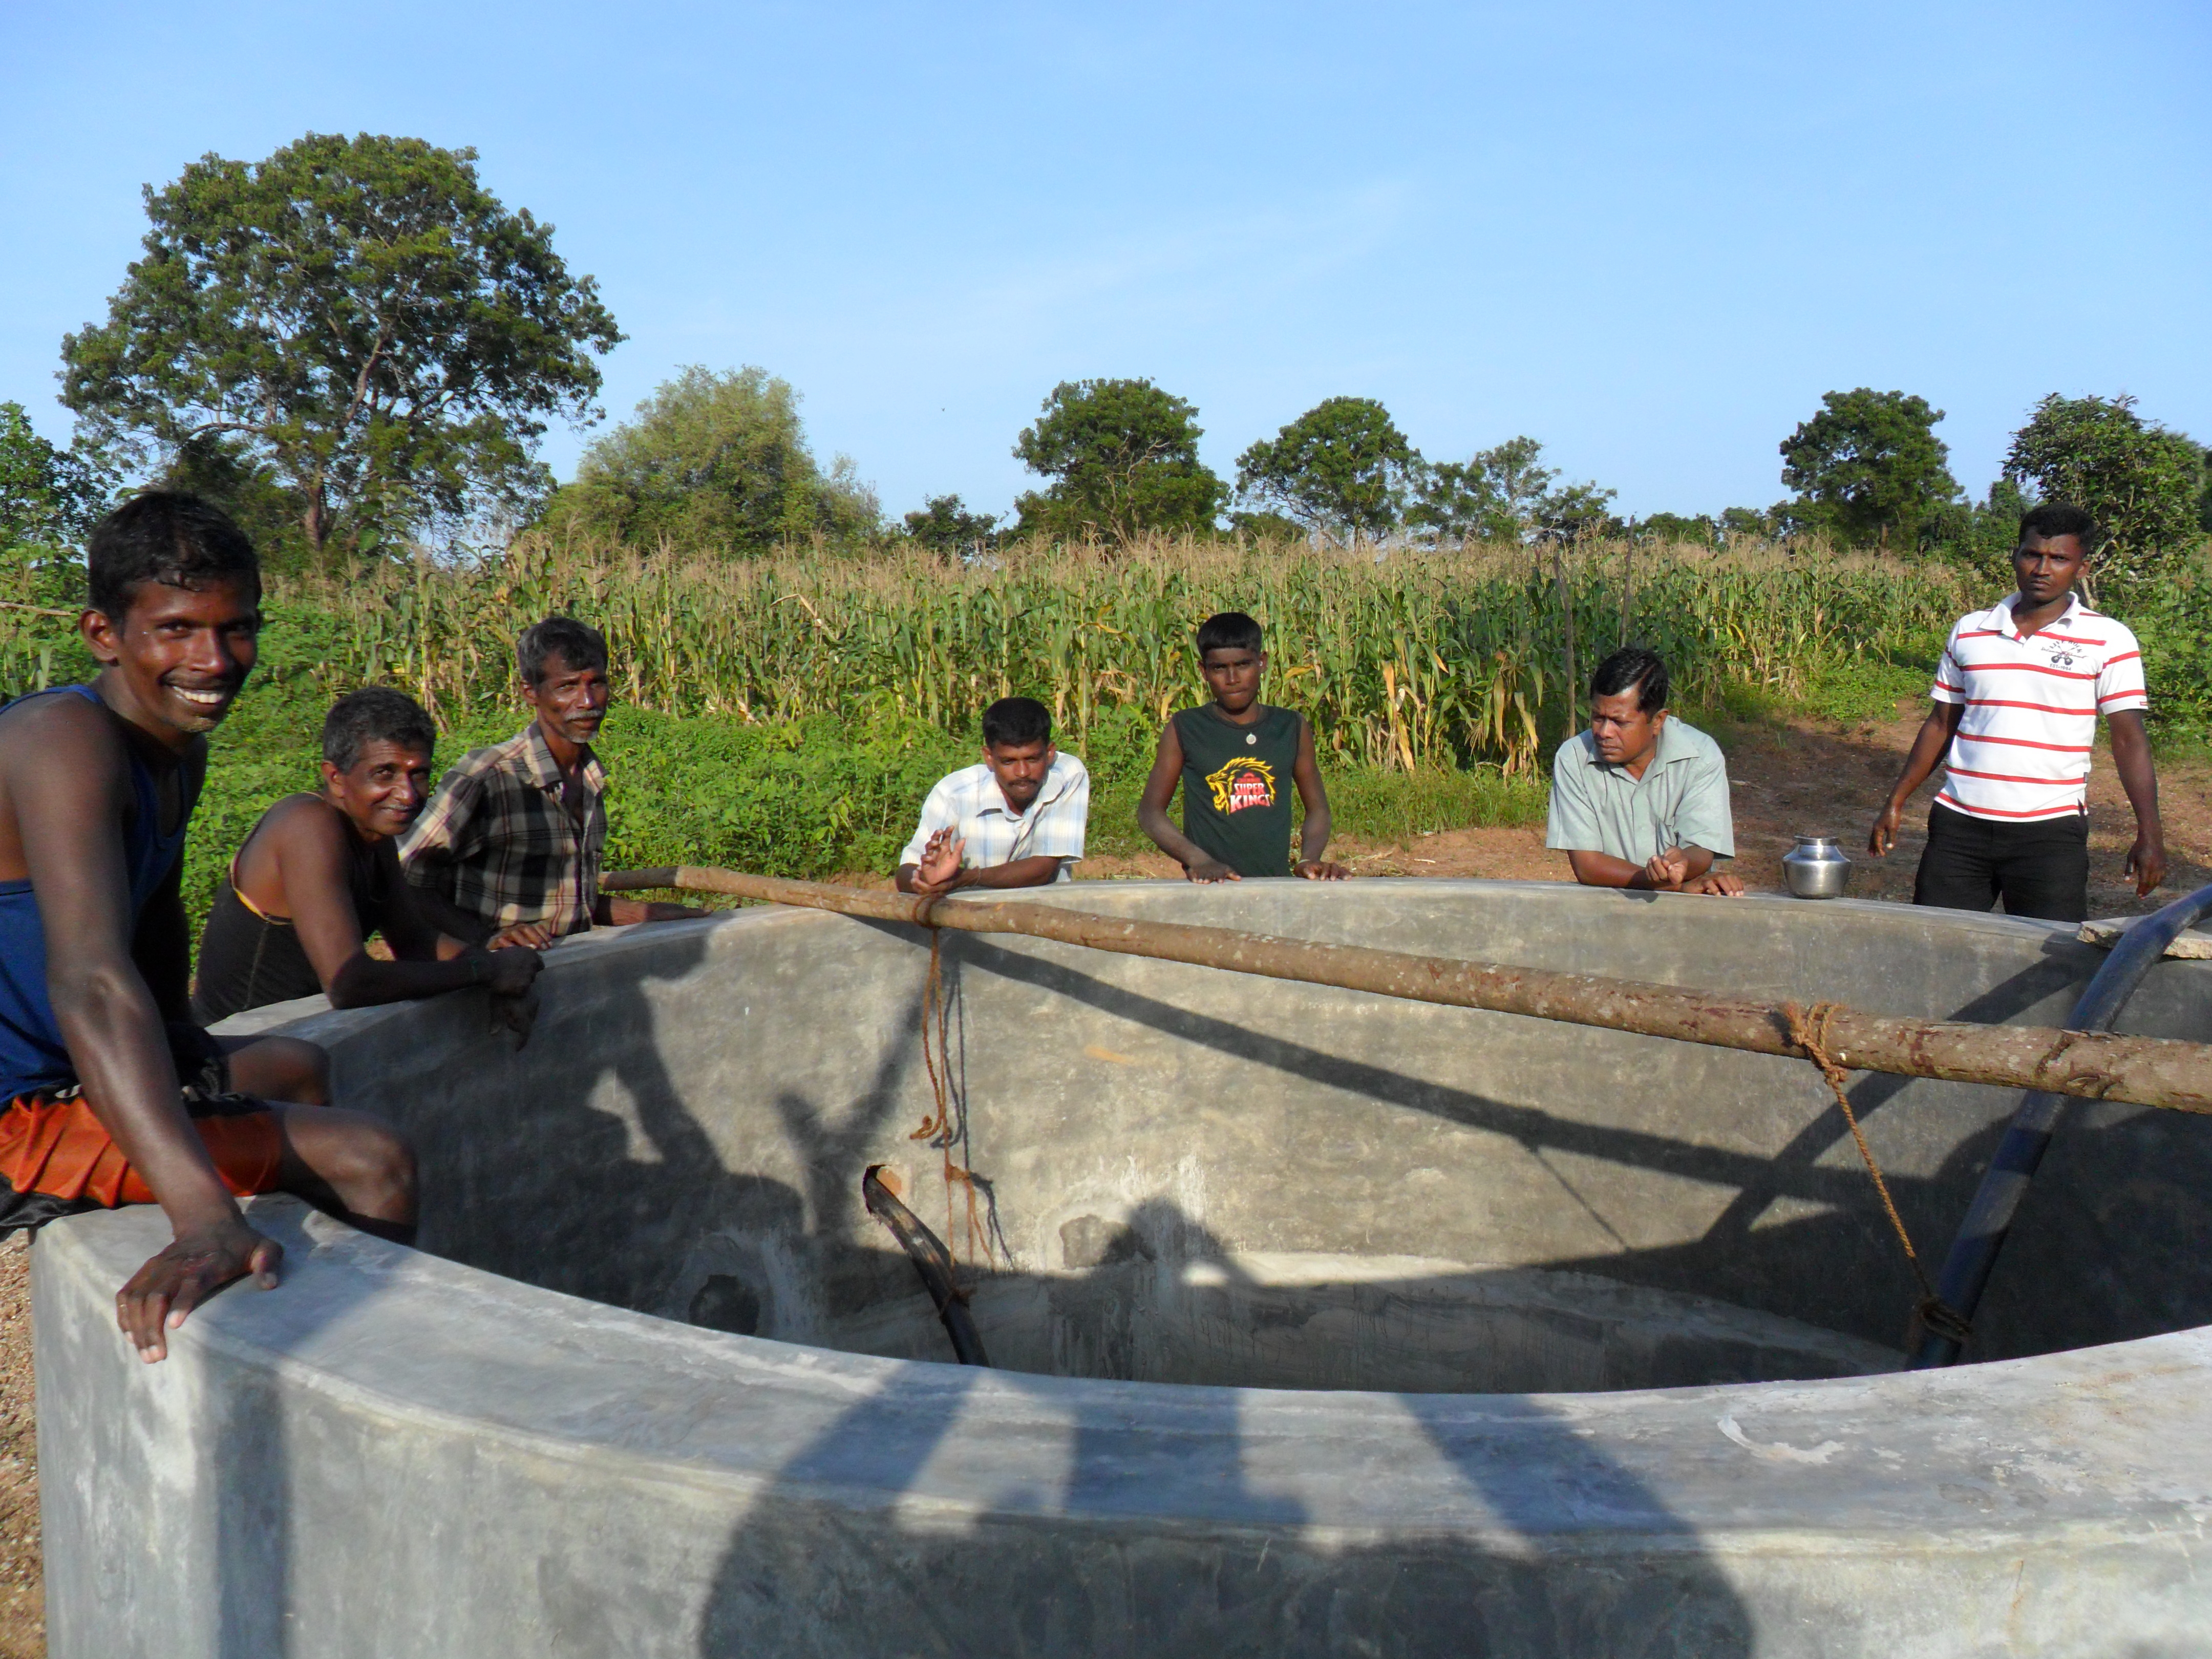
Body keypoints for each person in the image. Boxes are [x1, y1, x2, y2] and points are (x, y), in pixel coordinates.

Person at [0, 493, 417, 1362]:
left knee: (301, 1065)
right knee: (374, 1158)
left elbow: (150, 926)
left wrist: (183, 1046)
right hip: (14, 1117)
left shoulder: (175, 744)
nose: (215, 659)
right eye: (178, 629)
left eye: (238, 629)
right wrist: (203, 1216)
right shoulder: (62, 738)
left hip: (60, 1071)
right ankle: (366, 1376)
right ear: (103, 633)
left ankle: (293, 1338)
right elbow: (90, 978)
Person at [1869, 503, 2165, 921]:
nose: (2042, 569)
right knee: (1938, 952)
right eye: (2032, 554)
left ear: (2081, 567)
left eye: (2059, 559)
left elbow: (2129, 738)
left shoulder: (2108, 639)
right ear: (2016, 556)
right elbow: (1941, 723)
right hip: (1959, 826)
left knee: (2049, 962)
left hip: (2050, 833)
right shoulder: (1971, 630)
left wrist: (2149, 832)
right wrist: (1896, 801)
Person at [192, 687, 545, 1031]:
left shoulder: (375, 839)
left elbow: (415, 941)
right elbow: (349, 984)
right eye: (384, 773)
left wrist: (494, 964)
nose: (407, 795)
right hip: (237, 1049)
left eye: (418, 774)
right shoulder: (309, 826)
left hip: (301, 1036)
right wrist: (484, 971)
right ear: (336, 778)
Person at [398, 616, 701, 941]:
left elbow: (563, 899)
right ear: (531, 693)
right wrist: (485, 941)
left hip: (562, 970)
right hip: (493, 977)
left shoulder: (589, 777)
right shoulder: (490, 776)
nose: (587, 702)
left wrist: (640, 913)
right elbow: (401, 879)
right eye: (567, 686)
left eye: (596, 683)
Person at [1137, 611, 1347, 882]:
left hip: (1275, 885)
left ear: (1262, 663)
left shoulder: (1290, 727)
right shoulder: (1186, 728)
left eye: (1243, 665)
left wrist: (1309, 859)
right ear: (1204, 671)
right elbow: (1150, 812)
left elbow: (1318, 809)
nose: (1233, 678)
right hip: (1212, 884)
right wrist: (1198, 860)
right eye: (1219, 668)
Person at [1545, 645, 1743, 896]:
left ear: (1658, 721)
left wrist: (1681, 865)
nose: (1604, 732)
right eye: (1597, 717)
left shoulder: (1700, 756)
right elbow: (1588, 867)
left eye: (1619, 722)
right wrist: (1670, 884)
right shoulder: (1573, 757)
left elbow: (1702, 849)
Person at [896, 696, 1089, 896]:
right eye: (1008, 762)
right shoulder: (954, 793)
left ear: (1049, 753)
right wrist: (926, 880)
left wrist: (965, 878)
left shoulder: (1067, 774)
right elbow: (907, 870)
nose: (1022, 772)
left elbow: (1043, 868)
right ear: (989, 757)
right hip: (976, 918)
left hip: (1048, 912)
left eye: (1032, 759)